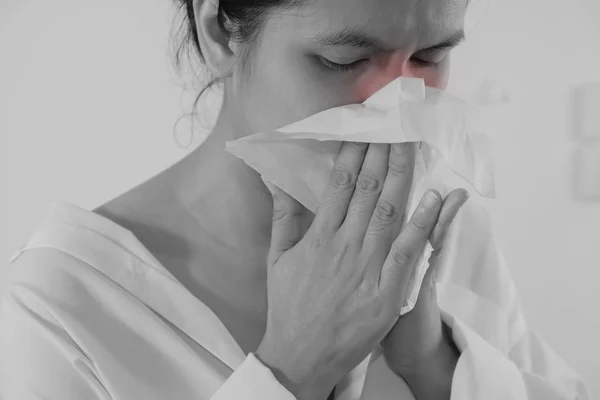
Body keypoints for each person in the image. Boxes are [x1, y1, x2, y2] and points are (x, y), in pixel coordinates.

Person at [0, 0, 592, 399]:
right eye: (344, 60)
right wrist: (293, 369)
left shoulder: (450, 235)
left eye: (430, 58)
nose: (398, 104)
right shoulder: (54, 309)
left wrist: (434, 358)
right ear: (220, 34)